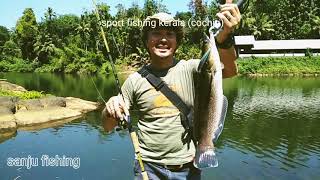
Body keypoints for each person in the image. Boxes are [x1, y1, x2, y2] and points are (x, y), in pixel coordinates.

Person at [102, 2, 241, 180]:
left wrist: (225, 38)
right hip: (149, 169)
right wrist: (110, 107)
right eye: (156, 33)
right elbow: (107, 127)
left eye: (169, 34)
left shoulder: (194, 69)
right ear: (146, 40)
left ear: (177, 41)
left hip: (189, 167)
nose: (163, 39)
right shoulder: (134, 81)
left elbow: (230, 70)